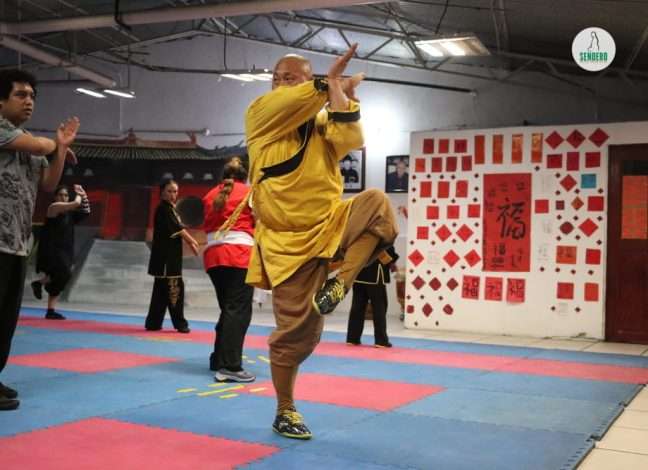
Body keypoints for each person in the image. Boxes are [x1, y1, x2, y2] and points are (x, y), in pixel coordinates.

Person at [245, 44, 398, 439]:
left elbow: (351, 139)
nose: (281, 83)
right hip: (285, 243)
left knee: (377, 206)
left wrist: (340, 95)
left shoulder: (321, 121)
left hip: (329, 223)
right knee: (297, 335)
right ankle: (285, 410)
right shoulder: (259, 115)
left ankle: (339, 285)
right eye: (277, 78)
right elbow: (289, 102)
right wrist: (326, 84)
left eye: (290, 77)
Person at [0, 69, 80, 411]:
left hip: (17, 243)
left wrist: (61, 151)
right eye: (20, 94)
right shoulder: (6, 133)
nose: (29, 101)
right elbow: (39, 145)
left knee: (6, 319)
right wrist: (53, 145)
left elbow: (48, 183)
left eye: (32, 95)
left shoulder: (28, 141)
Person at [202, 156, 255, 383]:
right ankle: (230, 366)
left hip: (213, 257)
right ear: (245, 175)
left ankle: (218, 358)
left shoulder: (210, 195)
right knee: (238, 311)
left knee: (228, 309)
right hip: (239, 255)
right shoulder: (250, 193)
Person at [145, 178, 199, 333]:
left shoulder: (171, 209)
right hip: (166, 260)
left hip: (167, 257)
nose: (173, 194)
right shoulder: (164, 209)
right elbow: (178, 228)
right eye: (169, 191)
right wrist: (192, 241)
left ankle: (153, 322)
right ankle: (180, 323)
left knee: (160, 292)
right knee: (175, 289)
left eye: (175, 191)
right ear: (161, 192)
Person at [31, 184, 91, 320]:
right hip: (52, 249)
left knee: (58, 276)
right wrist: (79, 193)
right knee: (64, 273)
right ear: (55, 197)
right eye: (61, 195)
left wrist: (84, 195)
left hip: (66, 249)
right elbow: (76, 203)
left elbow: (86, 211)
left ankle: (50, 309)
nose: (63, 197)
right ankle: (40, 284)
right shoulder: (53, 208)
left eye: (66, 195)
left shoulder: (70, 214)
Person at [346, 246, 399, 348]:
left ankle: (352, 338)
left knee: (357, 306)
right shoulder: (381, 234)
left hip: (359, 270)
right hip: (375, 272)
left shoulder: (358, 235)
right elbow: (387, 247)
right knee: (379, 307)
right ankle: (381, 340)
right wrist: (392, 261)